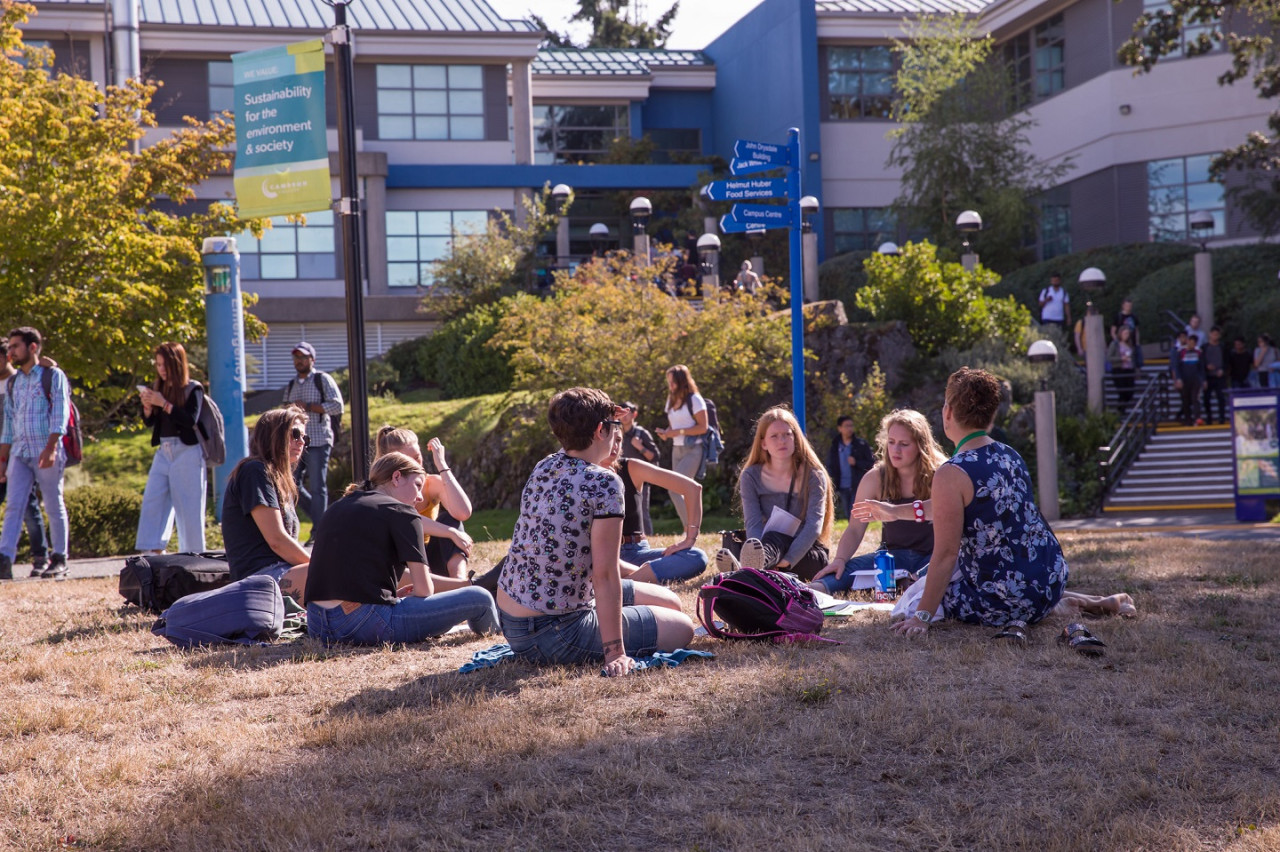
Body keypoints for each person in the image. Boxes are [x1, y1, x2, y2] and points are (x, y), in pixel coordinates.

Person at [498, 387, 695, 676]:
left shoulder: (544, 466)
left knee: (671, 601)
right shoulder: (604, 482)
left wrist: (599, 415)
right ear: (602, 430)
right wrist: (615, 652)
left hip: (512, 619)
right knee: (682, 628)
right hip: (554, 631)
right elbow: (604, 574)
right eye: (614, 426)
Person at [888, 367, 1068, 640]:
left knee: (912, 599)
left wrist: (922, 616)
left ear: (947, 411)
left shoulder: (952, 472)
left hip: (1006, 600)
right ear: (991, 415)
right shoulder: (1010, 454)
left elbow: (946, 555)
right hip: (1051, 583)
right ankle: (1079, 602)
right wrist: (892, 511)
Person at [304, 452, 499, 645]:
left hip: (317, 624)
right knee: (480, 598)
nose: (420, 497)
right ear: (397, 477)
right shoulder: (402, 512)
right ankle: (498, 629)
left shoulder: (337, 507)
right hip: (364, 622)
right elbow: (424, 590)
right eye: (417, 486)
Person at [809, 409, 944, 596]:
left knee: (948, 572)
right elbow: (855, 528)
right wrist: (839, 559)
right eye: (891, 442)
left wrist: (894, 510)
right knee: (847, 570)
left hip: (933, 557)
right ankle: (807, 592)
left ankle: (911, 583)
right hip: (892, 558)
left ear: (921, 445)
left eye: (904, 444)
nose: (895, 450)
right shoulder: (876, 477)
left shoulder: (942, 473)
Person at [722, 407, 835, 583]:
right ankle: (757, 567)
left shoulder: (813, 475)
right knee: (767, 540)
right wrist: (766, 553)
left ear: (796, 439)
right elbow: (753, 523)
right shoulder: (750, 476)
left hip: (806, 556)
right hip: (768, 547)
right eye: (774, 436)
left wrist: (786, 560)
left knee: (775, 539)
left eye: (787, 435)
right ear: (763, 444)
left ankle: (749, 570)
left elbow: (814, 526)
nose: (781, 440)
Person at [0, 327, 70, 581]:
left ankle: (59, 557)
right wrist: (3, 458)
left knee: (53, 504)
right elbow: (8, 422)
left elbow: (60, 414)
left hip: (45, 449)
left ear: (32, 347)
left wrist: (51, 448)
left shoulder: (53, 375)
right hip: (19, 452)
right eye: (9, 348)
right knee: (14, 505)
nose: (11, 352)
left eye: (15, 346)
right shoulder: (14, 382)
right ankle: (4, 558)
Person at [221, 407, 311, 600]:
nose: (301, 442)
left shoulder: (279, 479)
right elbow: (276, 540)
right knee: (337, 577)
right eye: (295, 434)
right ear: (274, 434)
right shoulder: (255, 471)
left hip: (281, 572)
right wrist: (319, 566)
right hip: (260, 579)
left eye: (305, 437)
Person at [607, 425, 708, 585]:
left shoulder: (631, 467)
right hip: (602, 557)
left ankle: (622, 586)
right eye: (609, 439)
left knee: (696, 557)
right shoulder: (580, 473)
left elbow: (693, 488)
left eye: (618, 440)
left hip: (636, 552)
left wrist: (689, 539)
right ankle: (636, 582)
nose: (615, 445)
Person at [372, 425, 474, 580]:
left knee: (451, 519)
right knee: (450, 529)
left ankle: (459, 581)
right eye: (407, 460)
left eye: (417, 457)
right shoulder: (382, 489)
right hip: (403, 561)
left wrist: (442, 465)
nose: (417, 464)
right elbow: (405, 519)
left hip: (431, 558)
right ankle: (457, 587)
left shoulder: (430, 483)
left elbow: (463, 512)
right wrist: (450, 532)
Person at [135, 343, 207, 554]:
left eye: (165, 364)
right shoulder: (159, 387)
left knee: (189, 512)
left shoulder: (193, 388)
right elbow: (151, 424)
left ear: (177, 363)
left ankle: (194, 560)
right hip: (163, 451)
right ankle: (152, 554)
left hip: (187, 451)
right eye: (158, 365)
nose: (161, 369)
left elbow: (190, 419)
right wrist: (148, 408)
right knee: (152, 501)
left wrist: (164, 403)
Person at [281, 342, 344, 531]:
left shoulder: (322, 379)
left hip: (318, 439)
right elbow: (283, 410)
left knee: (318, 487)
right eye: (296, 357)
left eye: (303, 357)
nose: (299, 361)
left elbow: (337, 406)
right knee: (290, 484)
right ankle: (323, 521)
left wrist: (308, 407)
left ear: (312, 359)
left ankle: (318, 530)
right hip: (294, 443)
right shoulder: (291, 384)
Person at [0, 339, 49, 578]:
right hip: (4, 454)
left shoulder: (16, 382)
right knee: (13, 508)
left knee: (28, 507)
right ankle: (4, 559)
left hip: (21, 451)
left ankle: (41, 557)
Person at [654, 365, 707, 527]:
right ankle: (691, 528)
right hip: (676, 450)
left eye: (673, 381)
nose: (670, 385)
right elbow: (673, 427)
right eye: (668, 381)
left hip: (693, 449)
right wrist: (666, 433)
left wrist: (678, 432)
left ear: (682, 381)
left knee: (675, 489)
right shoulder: (670, 400)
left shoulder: (695, 399)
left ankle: (691, 528)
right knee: (681, 489)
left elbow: (703, 427)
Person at [619, 401, 659, 535]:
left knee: (642, 510)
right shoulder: (616, 433)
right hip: (620, 479)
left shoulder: (642, 433)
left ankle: (648, 537)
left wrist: (640, 447)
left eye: (628, 412)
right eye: (622, 413)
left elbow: (655, 456)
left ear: (634, 414)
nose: (624, 416)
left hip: (641, 479)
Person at [824, 415, 875, 518]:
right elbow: (830, 465)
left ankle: (857, 532)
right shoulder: (835, 446)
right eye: (846, 426)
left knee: (856, 514)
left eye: (851, 425)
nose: (849, 428)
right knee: (848, 514)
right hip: (842, 486)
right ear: (840, 428)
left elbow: (871, 464)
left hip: (857, 485)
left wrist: (856, 462)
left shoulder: (861, 444)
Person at [1172, 331, 1206, 426]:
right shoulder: (1181, 352)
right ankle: (1188, 419)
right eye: (1190, 341)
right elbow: (1176, 366)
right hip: (1184, 379)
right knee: (1185, 400)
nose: (1191, 344)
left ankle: (1197, 418)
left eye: (1194, 342)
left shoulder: (1199, 352)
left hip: (1195, 379)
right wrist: (1178, 379)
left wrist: (1203, 379)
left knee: (1196, 399)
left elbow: (1201, 367)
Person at [1107, 325, 1138, 409]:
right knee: (1122, 391)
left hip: (1129, 369)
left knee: (1130, 392)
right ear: (1120, 334)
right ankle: (1120, 411)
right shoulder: (1115, 344)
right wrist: (1121, 359)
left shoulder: (1130, 344)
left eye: (1128, 333)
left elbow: (1133, 358)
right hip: (1118, 370)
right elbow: (1109, 358)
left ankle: (1121, 409)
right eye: (1125, 333)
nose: (1126, 335)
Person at [1202, 326, 1227, 425]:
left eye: (1217, 334)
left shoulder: (1222, 347)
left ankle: (1222, 417)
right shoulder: (1204, 347)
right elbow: (1201, 362)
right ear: (1209, 334)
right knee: (1206, 398)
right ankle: (1209, 417)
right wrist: (1206, 366)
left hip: (1219, 377)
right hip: (1208, 377)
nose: (1215, 336)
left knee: (1221, 397)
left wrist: (1223, 370)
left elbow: (1226, 361)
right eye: (1213, 334)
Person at [1111, 298, 1142, 368]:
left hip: (1132, 343)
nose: (1129, 308)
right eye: (1127, 306)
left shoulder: (1134, 316)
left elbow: (1136, 330)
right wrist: (1117, 342)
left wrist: (1137, 342)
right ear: (1123, 306)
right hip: (1121, 345)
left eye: (1130, 306)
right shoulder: (1118, 317)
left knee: (1133, 362)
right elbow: (1113, 331)